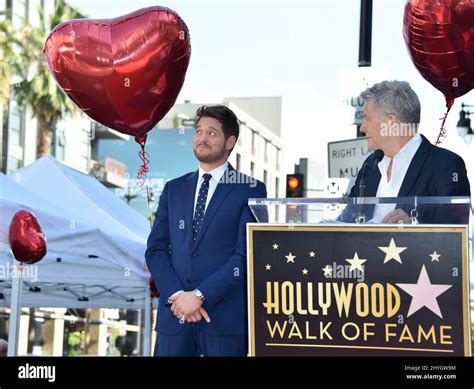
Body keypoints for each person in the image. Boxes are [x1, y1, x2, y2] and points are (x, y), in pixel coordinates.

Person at [146, 105, 267, 356]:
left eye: (212, 133)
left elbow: (245, 256)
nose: (202, 138)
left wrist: (200, 295)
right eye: (199, 131)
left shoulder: (250, 189)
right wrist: (179, 296)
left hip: (223, 322)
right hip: (174, 317)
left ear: (229, 141)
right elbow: (156, 249)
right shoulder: (173, 189)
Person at [345, 80, 470, 224]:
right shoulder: (370, 166)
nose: (362, 128)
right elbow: (345, 221)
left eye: (367, 119)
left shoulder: (446, 166)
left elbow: (454, 230)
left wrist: (414, 224)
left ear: (391, 122)